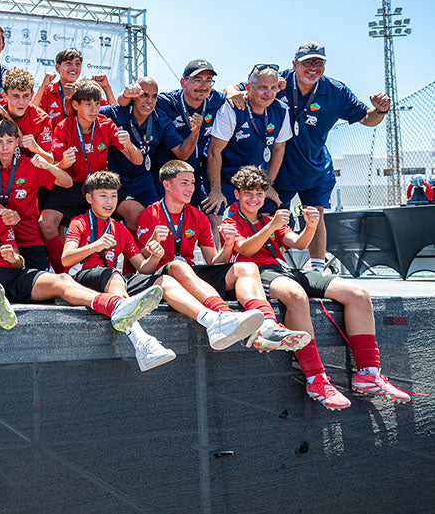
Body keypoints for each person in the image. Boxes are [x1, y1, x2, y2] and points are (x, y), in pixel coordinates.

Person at [222, 166, 410, 408]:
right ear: (237, 194)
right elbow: (245, 249)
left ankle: (369, 373)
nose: (254, 199)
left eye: (259, 194)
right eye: (248, 193)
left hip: (284, 270)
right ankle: (316, 379)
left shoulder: (271, 220)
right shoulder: (231, 221)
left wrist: (311, 225)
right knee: (295, 295)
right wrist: (269, 228)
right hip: (255, 274)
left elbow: (297, 244)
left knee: (358, 294)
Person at [226, 42, 391, 272]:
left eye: (319, 62)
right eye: (307, 62)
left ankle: (317, 269)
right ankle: (265, 264)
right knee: (266, 214)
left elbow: (367, 118)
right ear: (294, 64)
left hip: (315, 167)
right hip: (279, 169)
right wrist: (232, 91)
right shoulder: (279, 80)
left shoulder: (336, 91)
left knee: (315, 216)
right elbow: (238, 87)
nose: (313, 67)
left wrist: (380, 110)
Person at [0, 166, 163, 333]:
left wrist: (14, 257)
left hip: (12, 274)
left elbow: (20, 263)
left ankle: (114, 305)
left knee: (62, 280)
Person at [136, 160, 310, 352]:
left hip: (190, 274)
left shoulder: (198, 215)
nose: (191, 188)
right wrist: (153, 248)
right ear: (167, 185)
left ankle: (268, 324)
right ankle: (225, 317)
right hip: (164, 277)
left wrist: (227, 246)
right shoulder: (149, 214)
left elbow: (213, 262)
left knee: (247, 267)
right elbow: (144, 267)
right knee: (178, 266)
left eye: (193, 183)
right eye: (184, 182)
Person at [62, 171, 176, 371]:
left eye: (114, 196)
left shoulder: (120, 228)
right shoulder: (79, 222)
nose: (109, 201)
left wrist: (155, 257)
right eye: (103, 195)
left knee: (165, 280)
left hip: (111, 280)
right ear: (89, 198)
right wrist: (93, 246)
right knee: (113, 274)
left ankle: (211, 319)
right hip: (81, 279)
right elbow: (66, 258)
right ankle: (142, 341)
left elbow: (143, 268)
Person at [42, 80, 142, 272]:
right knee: (46, 223)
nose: (94, 109)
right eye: (88, 104)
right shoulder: (63, 127)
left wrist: (129, 145)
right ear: (75, 105)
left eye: (97, 103)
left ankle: (130, 275)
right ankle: (64, 276)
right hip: (72, 185)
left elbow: (137, 161)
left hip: (99, 184)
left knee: (136, 212)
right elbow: (57, 167)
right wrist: (63, 163)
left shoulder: (105, 124)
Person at [0, 118, 73, 271]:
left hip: (30, 239)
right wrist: (0, 210)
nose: (5, 147)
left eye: (10, 141)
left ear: (17, 142)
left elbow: (67, 183)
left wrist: (49, 166)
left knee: (41, 289)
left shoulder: (30, 165)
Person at [154, 59, 231, 239]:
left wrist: (234, 91)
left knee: (215, 212)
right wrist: (195, 131)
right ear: (183, 82)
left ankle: (217, 265)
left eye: (208, 80)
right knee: (169, 220)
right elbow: (182, 153)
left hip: (199, 172)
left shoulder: (215, 100)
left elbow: (236, 90)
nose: (203, 86)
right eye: (197, 80)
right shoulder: (166, 102)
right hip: (168, 173)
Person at [101, 78, 187, 229]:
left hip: (143, 178)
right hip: (116, 180)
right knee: (136, 215)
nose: (149, 101)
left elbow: (182, 153)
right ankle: (132, 252)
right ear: (134, 96)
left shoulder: (161, 120)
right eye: (144, 95)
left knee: (156, 219)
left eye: (154, 96)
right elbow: (86, 113)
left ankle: (150, 252)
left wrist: (195, 133)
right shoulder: (116, 113)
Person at [205, 64, 292, 214]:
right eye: (262, 87)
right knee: (215, 214)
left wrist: (267, 184)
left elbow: (279, 149)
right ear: (248, 87)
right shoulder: (233, 107)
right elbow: (214, 151)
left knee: (270, 213)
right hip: (223, 177)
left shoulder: (281, 110)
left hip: (252, 179)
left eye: (273, 88)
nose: (268, 93)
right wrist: (216, 190)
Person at [0, 68, 55, 162]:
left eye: (26, 96)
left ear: (31, 95)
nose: (21, 102)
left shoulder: (41, 119)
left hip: (28, 169)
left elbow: (50, 160)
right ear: (5, 96)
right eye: (15, 96)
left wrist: (36, 148)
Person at [31, 48, 83, 124]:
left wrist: (106, 87)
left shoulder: (84, 90)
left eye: (78, 64)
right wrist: (43, 86)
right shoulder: (49, 90)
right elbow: (31, 113)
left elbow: (105, 111)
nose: (74, 67)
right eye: (68, 63)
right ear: (57, 67)